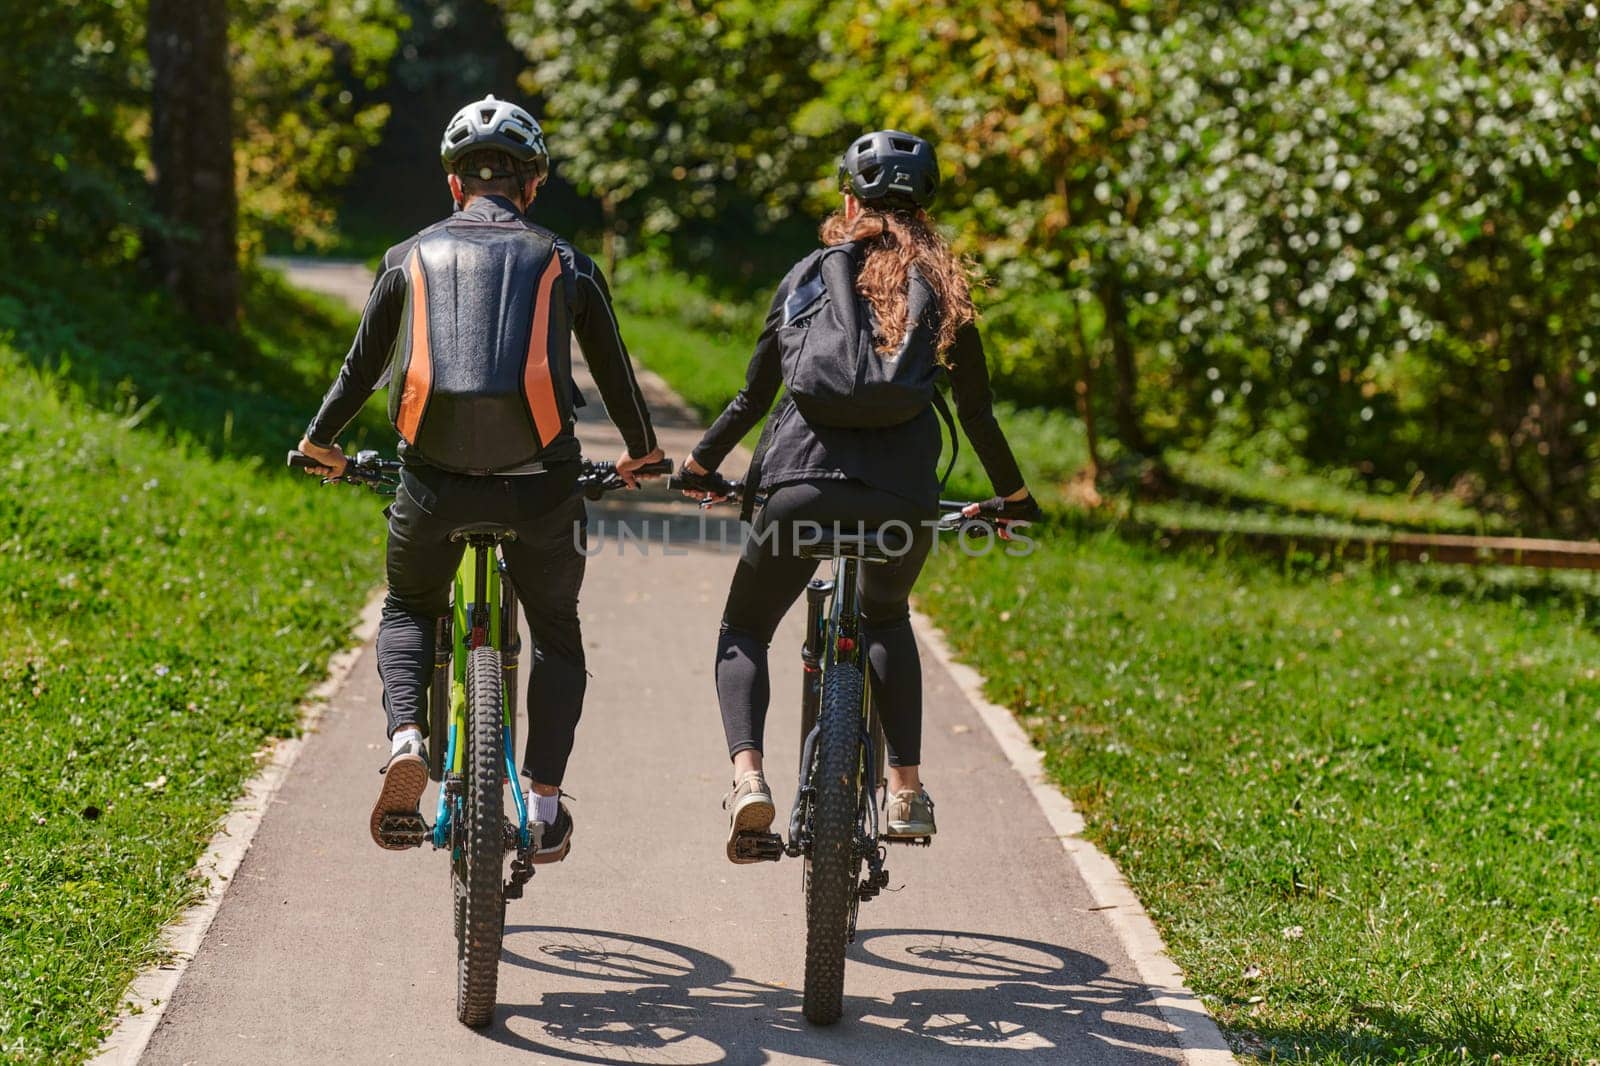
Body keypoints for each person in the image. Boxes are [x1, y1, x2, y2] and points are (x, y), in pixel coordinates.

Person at [296, 95, 664, 860]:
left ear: (454, 185)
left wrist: (318, 441)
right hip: (541, 488)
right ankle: (544, 805)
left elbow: (361, 369)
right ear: (531, 185)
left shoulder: (406, 257)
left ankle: (406, 735)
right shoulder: (567, 260)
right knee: (557, 637)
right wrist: (641, 454)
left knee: (408, 606)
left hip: (432, 485)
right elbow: (615, 372)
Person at [681, 130, 1042, 863]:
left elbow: (755, 394)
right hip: (899, 506)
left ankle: (749, 780)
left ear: (849, 201)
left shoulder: (810, 276)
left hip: (798, 493)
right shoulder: (942, 296)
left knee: (745, 630)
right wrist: (1015, 498)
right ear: (927, 216)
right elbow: (976, 415)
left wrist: (699, 462)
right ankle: (906, 786)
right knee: (885, 617)